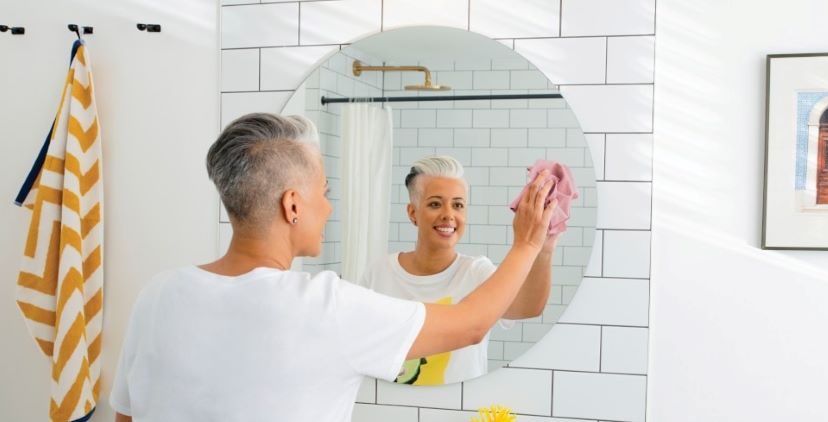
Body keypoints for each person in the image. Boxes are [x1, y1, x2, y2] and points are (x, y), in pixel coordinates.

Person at [109, 113, 557, 422]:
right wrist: (529, 240)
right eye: (323, 191)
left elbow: (127, 415)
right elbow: (472, 325)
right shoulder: (325, 306)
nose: (329, 206)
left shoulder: (159, 293)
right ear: (293, 206)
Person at [358, 156, 557, 385]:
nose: (448, 214)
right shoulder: (379, 272)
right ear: (412, 213)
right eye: (435, 204)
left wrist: (544, 249)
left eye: (458, 205)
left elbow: (528, 307)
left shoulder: (477, 273)